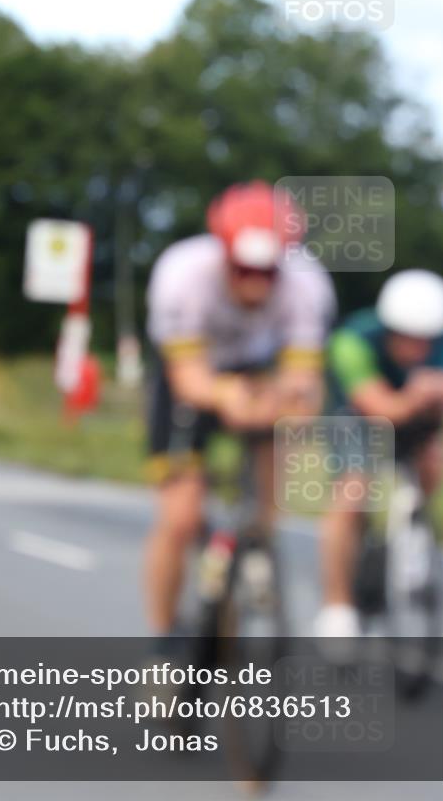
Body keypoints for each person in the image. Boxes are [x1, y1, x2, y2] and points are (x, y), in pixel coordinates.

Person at [143, 180, 336, 644]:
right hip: (192, 374)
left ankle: (257, 543)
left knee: (274, 481)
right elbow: (189, 380)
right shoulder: (183, 274)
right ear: (224, 252)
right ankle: (163, 642)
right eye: (243, 268)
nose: (254, 281)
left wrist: (287, 404)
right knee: (180, 519)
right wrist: (227, 397)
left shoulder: (308, 284)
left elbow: (305, 384)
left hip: (260, 371)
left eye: (267, 271)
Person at [316, 269, 443, 637]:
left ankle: (413, 527)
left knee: (435, 457)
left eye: (426, 340)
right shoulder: (352, 340)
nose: (417, 348)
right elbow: (381, 406)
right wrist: (418, 393)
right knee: (354, 491)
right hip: (357, 415)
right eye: (406, 338)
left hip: (415, 414)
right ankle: (337, 605)